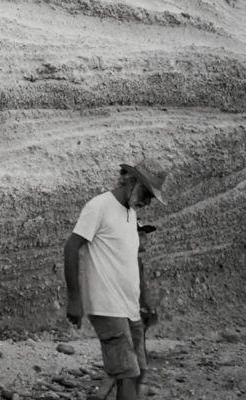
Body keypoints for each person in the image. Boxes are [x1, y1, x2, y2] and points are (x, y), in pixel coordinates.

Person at [64, 158, 168, 399]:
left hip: (129, 307)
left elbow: (134, 262)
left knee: (138, 370)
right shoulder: (99, 206)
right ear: (130, 181)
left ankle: (101, 394)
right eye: (147, 193)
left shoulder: (131, 213)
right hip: (106, 305)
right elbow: (72, 247)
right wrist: (74, 299)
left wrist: (145, 298)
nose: (148, 201)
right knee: (127, 373)